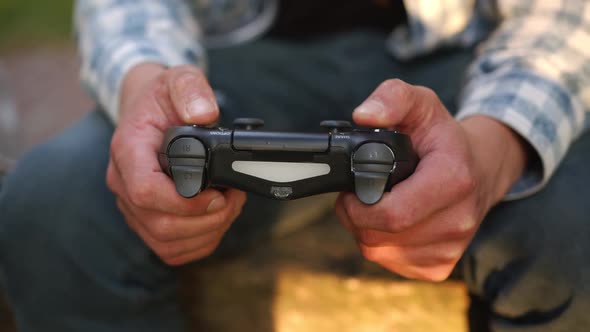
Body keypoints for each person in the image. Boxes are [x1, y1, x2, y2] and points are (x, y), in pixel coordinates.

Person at [0, 0, 589, 331]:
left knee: (573, 230)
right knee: (54, 206)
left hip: (477, 57)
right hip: (227, 59)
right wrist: (145, 85)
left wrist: (496, 147)